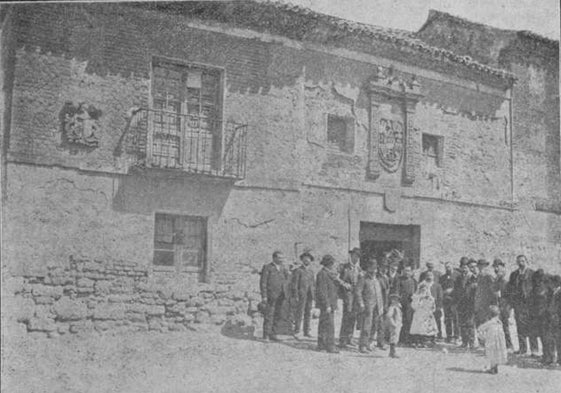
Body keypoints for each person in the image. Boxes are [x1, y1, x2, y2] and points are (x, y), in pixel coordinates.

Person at [508, 255, 537, 355]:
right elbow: (510, 289)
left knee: (532, 327)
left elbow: (536, 289)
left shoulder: (533, 274)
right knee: (520, 327)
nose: (521, 263)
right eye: (519, 262)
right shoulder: (514, 275)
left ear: (527, 262)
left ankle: (534, 350)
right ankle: (523, 349)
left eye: (523, 261)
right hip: (518, 305)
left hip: (530, 305)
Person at [260, 251, 290, 341]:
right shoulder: (267, 267)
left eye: (282, 258)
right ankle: (266, 335)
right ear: (274, 258)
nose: (281, 260)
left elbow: (286, 280)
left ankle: (273, 334)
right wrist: (264, 296)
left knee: (278, 315)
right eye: (280, 258)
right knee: (269, 315)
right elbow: (263, 283)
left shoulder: (283, 268)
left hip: (281, 295)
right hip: (271, 296)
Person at [355, 258, 383, 353]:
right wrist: (361, 304)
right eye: (372, 268)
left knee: (374, 326)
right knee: (366, 326)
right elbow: (358, 292)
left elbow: (379, 294)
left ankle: (369, 343)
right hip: (367, 306)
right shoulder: (363, 279)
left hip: (377, 307)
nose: (374, 270)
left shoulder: (377, 280)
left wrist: (381, 306)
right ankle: (362, 346)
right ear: (368, 269)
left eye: (375, 268)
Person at [315, 255, 341, 353]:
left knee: (325, 324)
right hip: (326, 304)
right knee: (328, 325)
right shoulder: (322, 274)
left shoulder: (329, 273)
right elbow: (322, 291)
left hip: (330, 303)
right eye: (333, 264)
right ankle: (329, 346)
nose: (334, 266)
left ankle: (322, 345)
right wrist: (327, 305)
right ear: (329, 264)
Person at [338, 247, 362, 348]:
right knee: (347, 316)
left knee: (353, 316)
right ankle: (342, 340)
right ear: (351, 256)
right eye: (354, 256)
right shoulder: (344, 267)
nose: (356, 258)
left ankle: (350, 338)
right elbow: (337, 278)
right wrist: (344, 284)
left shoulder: (359, 269)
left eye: (358, 256)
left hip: (356, 295)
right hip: (348, 295)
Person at [477, 305, 508, 374]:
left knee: (492, 354)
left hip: (491, 341)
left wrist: (482, 337)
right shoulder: (499, 322)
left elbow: (479, 329)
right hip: (499, 342)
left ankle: (493, 369)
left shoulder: (489, 323)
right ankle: (495, 368)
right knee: (497, 354)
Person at [291, 251, 315, 338]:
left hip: (310, 295)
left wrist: (314, 294)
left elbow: (313, 283)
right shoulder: (298, 271)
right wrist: (296, 295)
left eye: (308, 258)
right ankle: (297, 331)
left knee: (308, 313)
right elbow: (295, 285)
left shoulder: (311, 271)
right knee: (299, 313)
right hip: (301, 294)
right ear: (302, 260)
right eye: (305, 258)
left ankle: (306, 331)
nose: (307, 260)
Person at [455, 258, 476, 348]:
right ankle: (464, 342)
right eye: (462, 267)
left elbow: (475, 292)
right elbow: (456, 290)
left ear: (469, 268)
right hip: (461, 303)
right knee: (462, 323)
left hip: (470, 303)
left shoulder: (473, 277)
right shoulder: (459, 278)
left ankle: (471, 342)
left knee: (470, 323)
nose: (464, 269)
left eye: (466, 267)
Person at [492, 258, 513, 350]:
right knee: (499, 326)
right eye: (495, 267)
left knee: (505, 326)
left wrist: (508, 308)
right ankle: (503, 345)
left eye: (498, 267)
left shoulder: (506, 278)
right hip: (499, 304)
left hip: (505, 305)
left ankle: (509, 345)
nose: (496, 269)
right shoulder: (497, 278)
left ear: (502, 267)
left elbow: (510, 294)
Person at [410, 282, 438, 346]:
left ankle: (427, 342)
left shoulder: (430, 298)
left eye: (425, 290)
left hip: (427, 314)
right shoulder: (416, 297)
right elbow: (413, 306)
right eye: (422, 289)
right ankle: (417, 341)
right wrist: (419, 300)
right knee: (418, 327)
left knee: (427, 327)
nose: (423, 291)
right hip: (419, 313)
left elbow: (433, 307)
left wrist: (430, 307)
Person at [530, 269, 548, 359]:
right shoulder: (534, 288)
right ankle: (541, 353)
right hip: (536, 315)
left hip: (543, 315)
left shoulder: (546, 288)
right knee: (540, 335)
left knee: (545, 336)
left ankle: (547, 356)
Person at [474, 259, 498, 327]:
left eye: (483, 266)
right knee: (478, 325)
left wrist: (493, 303)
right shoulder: (479, 276)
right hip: (479, 304)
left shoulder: (489, 276)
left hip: (486, 304)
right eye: (480, 266)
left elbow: (494, 291)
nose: (481, 267)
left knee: (485, 325)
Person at [440, 261, 459, 343]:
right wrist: (444, 293)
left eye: (449, 267)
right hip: (446, 301)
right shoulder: (442, 277)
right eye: (446, 267)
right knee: (447, 319)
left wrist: (452, 290)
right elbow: (440, 288)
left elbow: (460, 287)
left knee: (456, 319)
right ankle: (449, 336)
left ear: (452, 267)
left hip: (455, 300)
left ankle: (457, 336)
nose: (448, 269)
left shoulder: (457, 276)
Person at [398, 265, 417, 345]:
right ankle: (400, 339)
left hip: (410, 303)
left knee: (409, 321)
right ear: (403, 271)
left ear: (411, 272)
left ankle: (408, 338)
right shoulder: (399, 280)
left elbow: (416, 292)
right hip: (401, 303)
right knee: (400, 321)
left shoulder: (414, 281)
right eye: (405, 270)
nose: (407, 272)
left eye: (408, 271)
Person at [425, 271, 444, 343]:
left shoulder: (437, 285)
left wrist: (439, 306)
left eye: (430, 276)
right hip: (426, 306)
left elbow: (440, 296)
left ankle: (439, 335)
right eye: (428, 275)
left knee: (437, 321)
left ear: (433, 277)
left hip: (435, 306)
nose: (429, 277)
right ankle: (429, 336)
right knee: (428, 321)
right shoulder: (424, 285)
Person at [385, 294, 403, 358]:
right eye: (394, 300)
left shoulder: (397, 307)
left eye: (397, 300)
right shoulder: (392, 308)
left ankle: (392, 352)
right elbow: (389, 316)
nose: (396, 301)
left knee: (396, 337)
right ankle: (392, 352)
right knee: (393, 338)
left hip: (398, 324)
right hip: (394, 325)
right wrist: (393, 323)